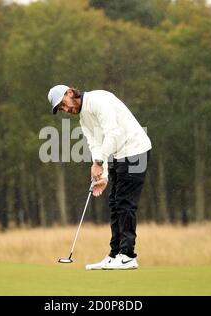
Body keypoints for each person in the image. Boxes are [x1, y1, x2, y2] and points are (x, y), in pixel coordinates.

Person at [47, 85, 152, 270]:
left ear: (70, 93)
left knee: (125, 203)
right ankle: (115, 254)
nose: (66, 110)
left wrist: (99, 161)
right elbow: (94, 143)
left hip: (136, 150)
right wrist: (101, 174)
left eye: (63, 104)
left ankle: (127, 256)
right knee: (114, 203)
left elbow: (113, 132)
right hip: (119, 154)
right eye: (62, 109)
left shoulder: (97, 100)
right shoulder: (83, 119)